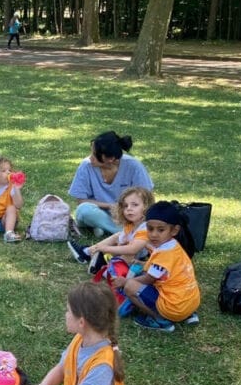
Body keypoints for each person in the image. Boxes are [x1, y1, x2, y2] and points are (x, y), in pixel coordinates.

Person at [117, 200, 200, 332]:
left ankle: (159, 319)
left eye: (160, 230)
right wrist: (143, 263)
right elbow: (164, 269)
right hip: (190, 303)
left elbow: (149, 279)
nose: (154, 234)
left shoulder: (163, 254)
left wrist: (125, 281)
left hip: (174, 308)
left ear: (174, 230)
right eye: (150, 229)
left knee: (130, 287)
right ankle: (189, 314)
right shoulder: (174, 246)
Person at [69, 186, 155, 301]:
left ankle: (99, 260)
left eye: (135, 205)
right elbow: (122, 243)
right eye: (125, 206)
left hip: (150, 264)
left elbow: (132, 249)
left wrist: (106, 248)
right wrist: (115, 246)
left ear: (146, 207)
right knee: (117, 236)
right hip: (139, 258)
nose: (129, 209)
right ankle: (90, 253)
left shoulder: (146, 227)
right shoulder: (130, 224)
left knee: (126, 252)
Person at [69, 131, 154, 237]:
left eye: (95, 155)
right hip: (97, 212)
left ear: (111, 159)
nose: (90, 158)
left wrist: (125, 209)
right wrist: (111, 206)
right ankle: (125, 232)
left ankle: (102, 228)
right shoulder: (86, 166)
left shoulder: (134, 166)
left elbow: (147, 199)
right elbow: (81, 201)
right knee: (84, 210)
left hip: (126, 214)